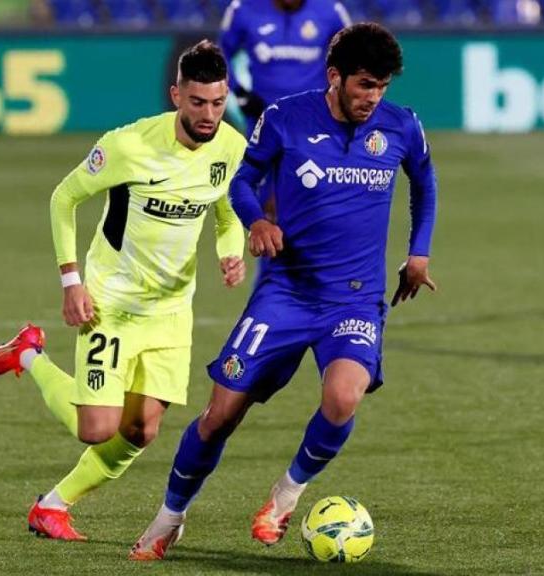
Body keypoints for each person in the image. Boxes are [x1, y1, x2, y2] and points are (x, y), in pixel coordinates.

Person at [128, 22, 438, 561]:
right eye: (365, 84)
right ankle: (170, 516)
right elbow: (242, 181)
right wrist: (255, 222)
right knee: (220, 415)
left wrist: (419, 253)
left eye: (382, 86)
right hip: (286, 293)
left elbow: (425, 184)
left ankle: (286, 494)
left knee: (343, 397)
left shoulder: (401, 125)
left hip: (354, 298)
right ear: (335, 76)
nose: (374, 97)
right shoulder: (285, 118)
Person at [0, 40, 249, 540]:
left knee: (140, 431)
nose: (209, 115)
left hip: (172, 312)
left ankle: (52, 506)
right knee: (97, 429)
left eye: (217, 103)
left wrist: (229, 252)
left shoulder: (232, 147)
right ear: (176, 95)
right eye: (197, 102)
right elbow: (64, 198)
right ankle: (28, 355)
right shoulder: (129, 146)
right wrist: (71, 281)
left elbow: (227, 212)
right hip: (112, 304)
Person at [220, 0, 351, 137]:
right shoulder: (243, 8)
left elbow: (353, 53)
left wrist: (339, 93)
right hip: (264, 116)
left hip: (316, 118)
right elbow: (221, 54)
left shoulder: (331, 10)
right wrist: (240, 93)